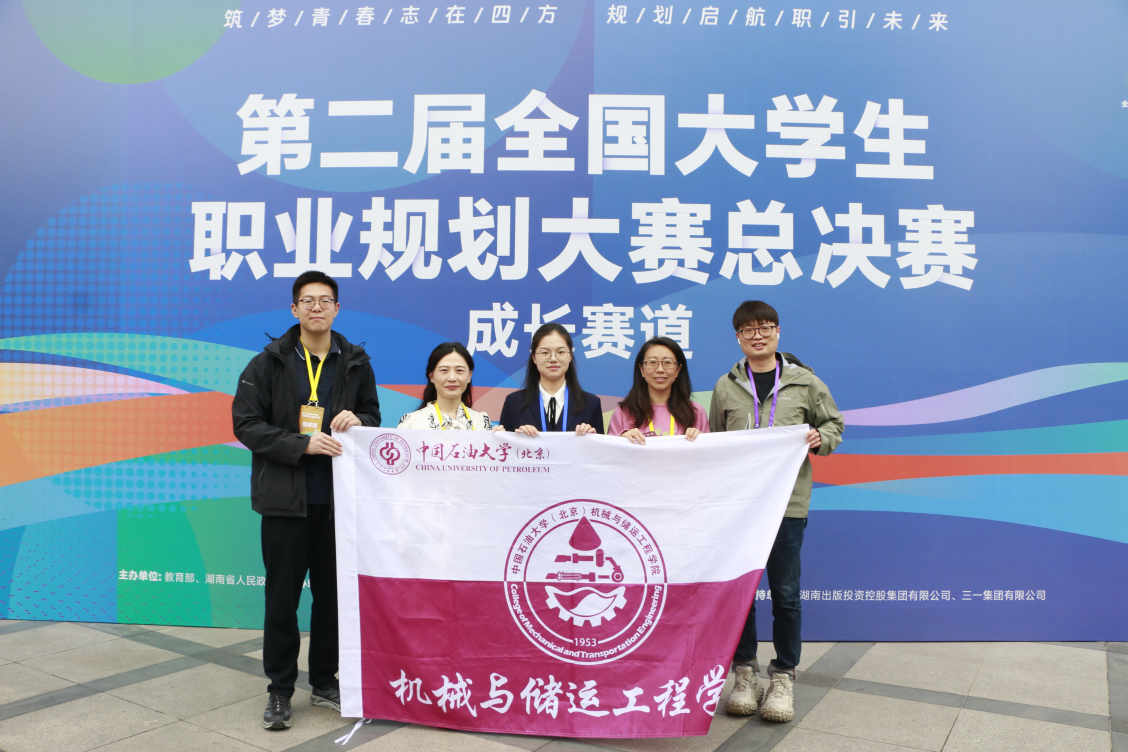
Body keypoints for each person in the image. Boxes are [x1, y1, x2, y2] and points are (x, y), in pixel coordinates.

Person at [232, 271, 381, 731]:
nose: (317, 307)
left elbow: (374, 415)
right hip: (285, 502)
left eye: (325, 300)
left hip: (338, 504)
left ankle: (324, 681)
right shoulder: (268, 363)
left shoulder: (356, 362)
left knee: (332, 599)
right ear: (294, 309)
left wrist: (360, 420)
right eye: (308, 301)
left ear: (337, 308)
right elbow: (246, 424)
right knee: (281, 600)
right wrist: (302, 444)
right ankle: (279, 689)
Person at [709, 300, 844, 723]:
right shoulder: (726, 386)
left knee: (785, 594)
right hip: (740, 508)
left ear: (777, 331)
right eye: (748, 330)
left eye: (765, 327)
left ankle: (783, 676)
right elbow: (716, 442)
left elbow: (834, 425)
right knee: (742, 593)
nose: (758, 335)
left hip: (787, 505)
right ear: (738, 338)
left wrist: (820, 438)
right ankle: (744, 674)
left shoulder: (806, 382)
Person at [497, 323, 604, 436]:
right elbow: (503, 445)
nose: (553, 359)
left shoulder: (591, 404)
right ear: (534, 357)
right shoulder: (514, 403)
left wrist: (591, 437)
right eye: (545, 353)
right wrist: (499, 435)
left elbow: (601, 447)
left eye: (561, 352)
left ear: (570, 356)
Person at [607, 337, 709, 444]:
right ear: (641, 369)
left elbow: (708, 452)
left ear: (678, 369)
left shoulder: (696, 412)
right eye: (652, 362)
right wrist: (621, 441)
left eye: (667, 362)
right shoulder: (623, 413)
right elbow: (609, 452)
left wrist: (701, 441)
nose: (660, 369)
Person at [398, 342, 492, 430]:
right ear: (431, 376)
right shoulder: (412, 423)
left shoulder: (481, 421)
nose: (452, 378)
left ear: (469, 376)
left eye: (459, 370)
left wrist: (498, 437)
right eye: (444, 370)